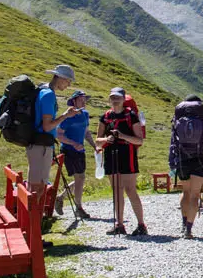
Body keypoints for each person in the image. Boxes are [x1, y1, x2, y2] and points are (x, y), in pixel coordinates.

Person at [97, 87, 147, 236]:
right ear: (109, 99)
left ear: (123, 99)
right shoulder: (105, 117)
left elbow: (139, 140)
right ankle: (119, 224)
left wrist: (122, 136)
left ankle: (141, 224)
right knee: (116, 191)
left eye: (118, 97)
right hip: (111, 155)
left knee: (130, 190)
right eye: (112, 97)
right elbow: (98, 141)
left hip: (128, 155)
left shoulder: (131, 116)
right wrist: (107, 139)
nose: (115, 99)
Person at [169, 94, 203, 239]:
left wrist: (172, 162)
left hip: (182, 159)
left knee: (186, 191)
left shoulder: (177, 119)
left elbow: (172, 142)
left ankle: (183, 223)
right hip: (198, 159)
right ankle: (189, 229)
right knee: (195, 194)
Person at [29, 65, 79, 189]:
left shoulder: (43, 90)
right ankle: (35, 209)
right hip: (41, 145)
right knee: (38, 188)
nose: (68, 85)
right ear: (61, 78)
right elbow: (47, 126)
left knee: (35, 185)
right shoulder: (48, 95)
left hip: (37, 144)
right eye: (68, 81)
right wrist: (66, 115)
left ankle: (34, 208)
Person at [57, 90, 97, 220]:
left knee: (81, 178)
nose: (84, 101)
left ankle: (60, 198)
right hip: (68, 150)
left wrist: (94, 146)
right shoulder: (68, 116)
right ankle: (79, 207)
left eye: (85, 99)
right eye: (81, 99)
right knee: (80, 177)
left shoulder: (85, 114)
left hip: (80, 150)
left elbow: (86, 132)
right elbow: (59, 135)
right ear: (74, 101)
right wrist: (73, 143)